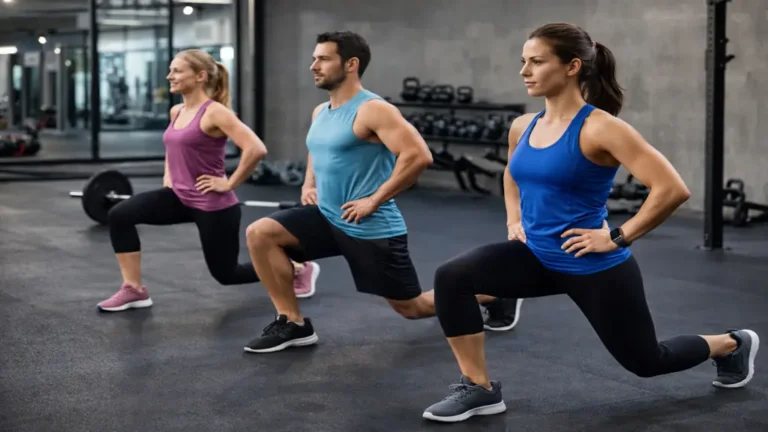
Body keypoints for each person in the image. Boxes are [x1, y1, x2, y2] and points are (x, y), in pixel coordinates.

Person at [422, 23, 760, 423]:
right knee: (452, 277)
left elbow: (672, 188)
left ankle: (731, 344)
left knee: (647, 361)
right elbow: (512, 173)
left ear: (572, 67)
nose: (524, 71)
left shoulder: (601, 128)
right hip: (535, 256)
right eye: (523, 61)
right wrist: (514, 219)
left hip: (591, 265)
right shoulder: (523, 126)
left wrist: (617, 237)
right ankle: (478, 388)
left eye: (536, 62)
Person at [240, 31, 520, 353]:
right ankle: (292, 323)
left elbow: (418, 155)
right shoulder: (322, 112)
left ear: (351, 64)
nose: (313, 66)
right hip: (328, 215)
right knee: (261, 233)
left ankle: (496, 292)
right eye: (314, 58)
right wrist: (309, 184)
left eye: (324, 59)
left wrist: (374, 200)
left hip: (368, 225)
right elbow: (316, 149)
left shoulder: (373, 110)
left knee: (412, 307)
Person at [97, 49, 321, 312]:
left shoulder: (215, 112)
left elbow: (256, 148)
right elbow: (173, 147)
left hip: (213, 205)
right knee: (120, 215)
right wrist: (169, 175)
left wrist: (229, 183)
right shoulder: (177, 111)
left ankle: (296, 268)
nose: (170, 76)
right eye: (170, 70)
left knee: (227, 274)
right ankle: (134, 289)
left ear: (200, 76)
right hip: (178, 197)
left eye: (177, 71)